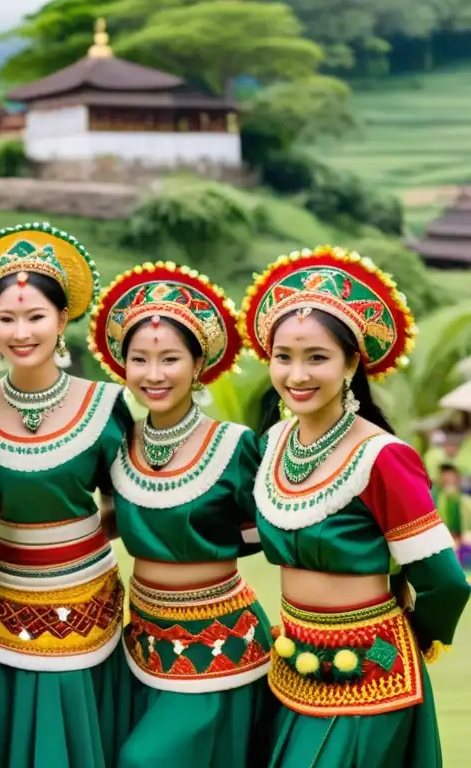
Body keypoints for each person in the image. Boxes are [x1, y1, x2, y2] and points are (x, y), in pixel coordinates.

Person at [240, 245, 471, 767]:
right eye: (284, 357)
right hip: (292, 666)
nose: (296, 374)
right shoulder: (274, 442)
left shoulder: (382, 457)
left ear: (352, 363)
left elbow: (446, 582)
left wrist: (410, 639)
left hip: (373, 670)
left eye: (316, 357)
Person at [0, 222, 132, 768]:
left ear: (62, 320)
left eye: (35, 317)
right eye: (7, 318)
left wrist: (78, 540)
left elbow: (130, 501)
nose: (21, 331)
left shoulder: (105, 404)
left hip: (85, 600)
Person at [87, 262, 275, 767]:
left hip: (221, 643)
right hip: (142, 642)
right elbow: (111, 520)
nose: (154, 374)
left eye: (169, 358)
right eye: (140, 359)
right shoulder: (117, 443)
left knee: (144, 760)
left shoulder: (234, 446)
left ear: (198, 364)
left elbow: (278, 534)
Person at [434, 463, 471, 569]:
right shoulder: (436, 499)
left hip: (463, 537)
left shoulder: (465, 500)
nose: (448, 480)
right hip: (445, 538)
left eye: (451, 477)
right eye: (445, 477)